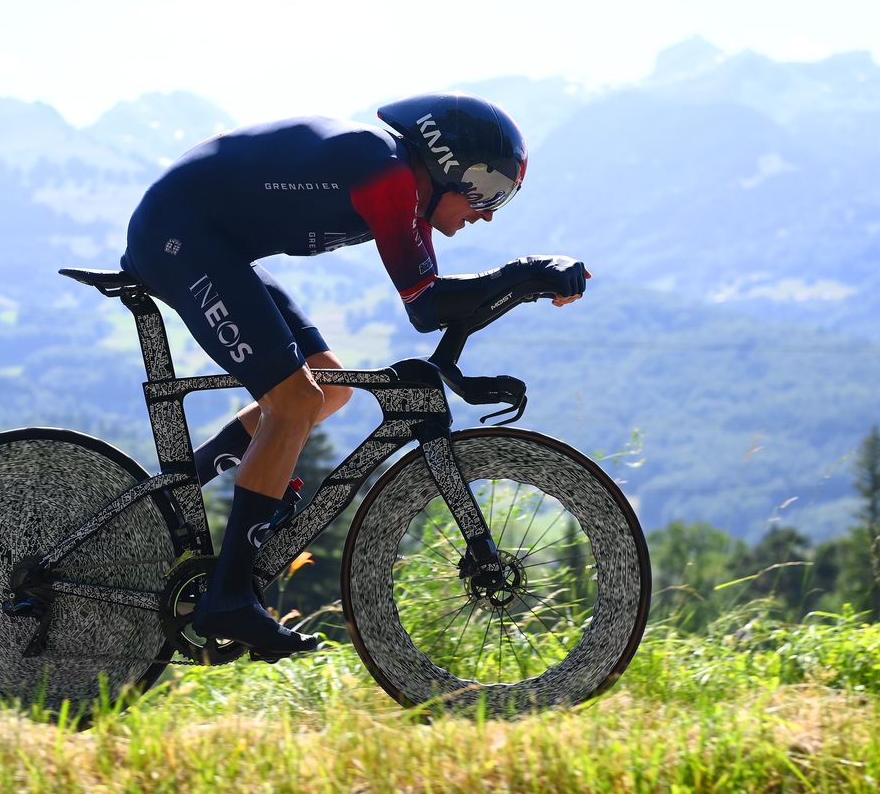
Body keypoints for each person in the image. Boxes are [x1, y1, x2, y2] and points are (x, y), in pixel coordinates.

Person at [119, 92, 589, 656]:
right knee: (294, 403)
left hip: (209, 241)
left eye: (502, 200)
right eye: (489, 191)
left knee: (330, 390)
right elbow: (428, 304)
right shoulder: (386, 174)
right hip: (179, 237)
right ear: (445, 165)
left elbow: (431, 307)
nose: (488, 212)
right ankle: (230, 595)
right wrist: (528, 272)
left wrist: (522, 286)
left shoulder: (399, 186)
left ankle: (162, 506)